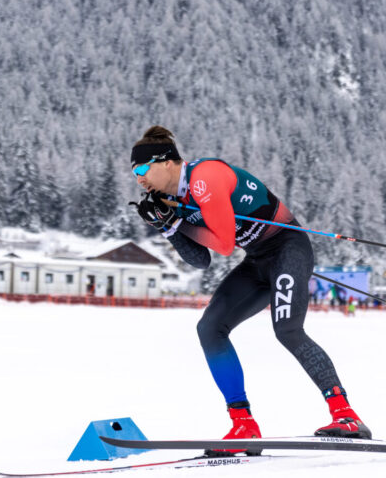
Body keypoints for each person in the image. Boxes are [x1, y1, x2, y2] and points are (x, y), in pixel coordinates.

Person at [130, 126, 371, 451]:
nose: (139, 179)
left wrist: (174, 223)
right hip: (258, 260)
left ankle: (347, 415)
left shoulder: (205, 177)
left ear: (168, 162)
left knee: (288, 330)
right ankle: (244, 424)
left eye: (143, 169)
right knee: (210, 329)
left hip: (288, 250)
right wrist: (166, 227)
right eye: (134, 173)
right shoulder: (177, 198)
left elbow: (225, 245)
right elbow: (201, 260)